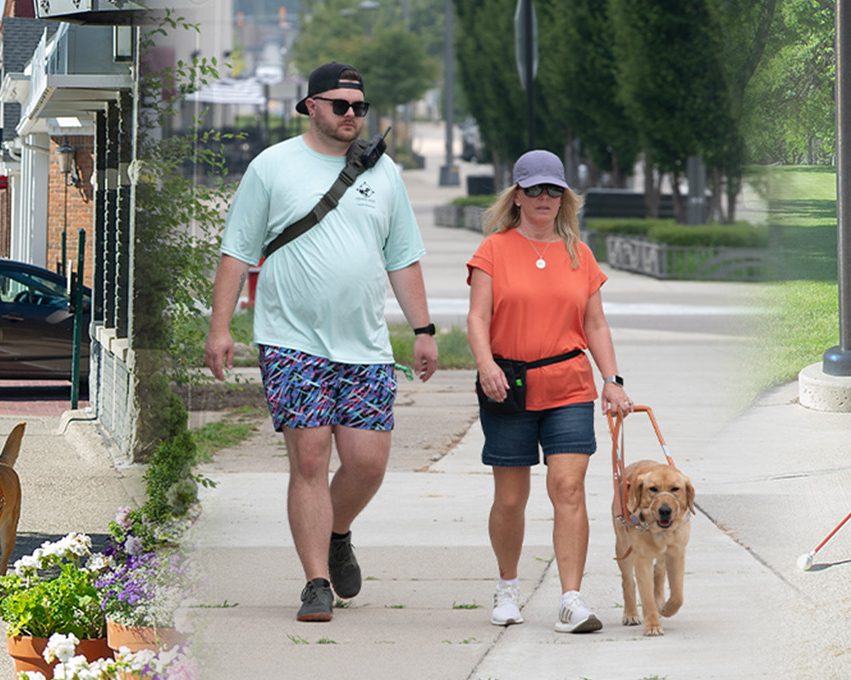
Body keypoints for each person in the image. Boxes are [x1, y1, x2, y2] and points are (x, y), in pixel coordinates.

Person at [203, 62, 438, 623]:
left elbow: (402, 258)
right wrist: (220, 328)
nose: (353, 115)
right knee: (309, 459)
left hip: (365, 346)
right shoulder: (273, 166)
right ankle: (315, 582)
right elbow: (237, 251)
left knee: (368, 463)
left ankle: (337, 532)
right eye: (341, 105)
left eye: (360, 107)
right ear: (311, 106)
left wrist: (423, 330)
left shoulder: (384, 175)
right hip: (290, 341)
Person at [468, 150, 630, 634]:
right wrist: (485, 365)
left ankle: (571, 599)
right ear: (516, 196)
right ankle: (507, 588)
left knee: (569, 488)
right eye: (534, 190)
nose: (544, 198)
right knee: (512, 499)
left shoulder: (579, 254)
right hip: (508, 387)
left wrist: (612, 380)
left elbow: (595, 323)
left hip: (569, 385)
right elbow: (477, 318)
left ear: (565, 198)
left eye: (553, 190)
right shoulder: (493, 250)